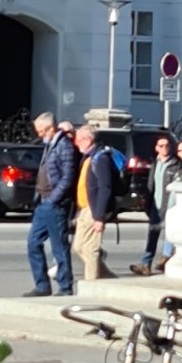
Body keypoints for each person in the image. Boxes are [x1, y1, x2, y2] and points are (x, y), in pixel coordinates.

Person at [25, 112, 78, 296]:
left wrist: (54, 198)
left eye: (41, 131)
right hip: (42, 202)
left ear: (51, 128)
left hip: (55, 204)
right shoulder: (51, 145)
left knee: (59, 247)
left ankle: (65, 286)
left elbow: (68, 177)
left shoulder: (64, 146)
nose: (39, 135)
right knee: (33, 243)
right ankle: (42, 285)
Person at [72, 120, 116, 283]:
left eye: (78, 140)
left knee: (90, 249)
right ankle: (108, 278)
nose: (76, 144)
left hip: (94, 208)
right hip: (84, 209)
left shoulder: (100, 158)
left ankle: (91, 285)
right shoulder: (89, 157)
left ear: (87, 140)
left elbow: (105, 187)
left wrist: (99, 217)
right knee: (78, 246)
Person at [133, 131, 177, 275]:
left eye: (167, 145)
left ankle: (167, 261)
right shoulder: (155, 163)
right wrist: (147, 202)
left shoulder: (175, 165)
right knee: (152, 235)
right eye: (161, 146)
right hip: (155, 206)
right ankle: (146, 264)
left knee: (170, 235)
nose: (165, 148)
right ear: (156, 148)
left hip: (170, 207)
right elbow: (152, 185)